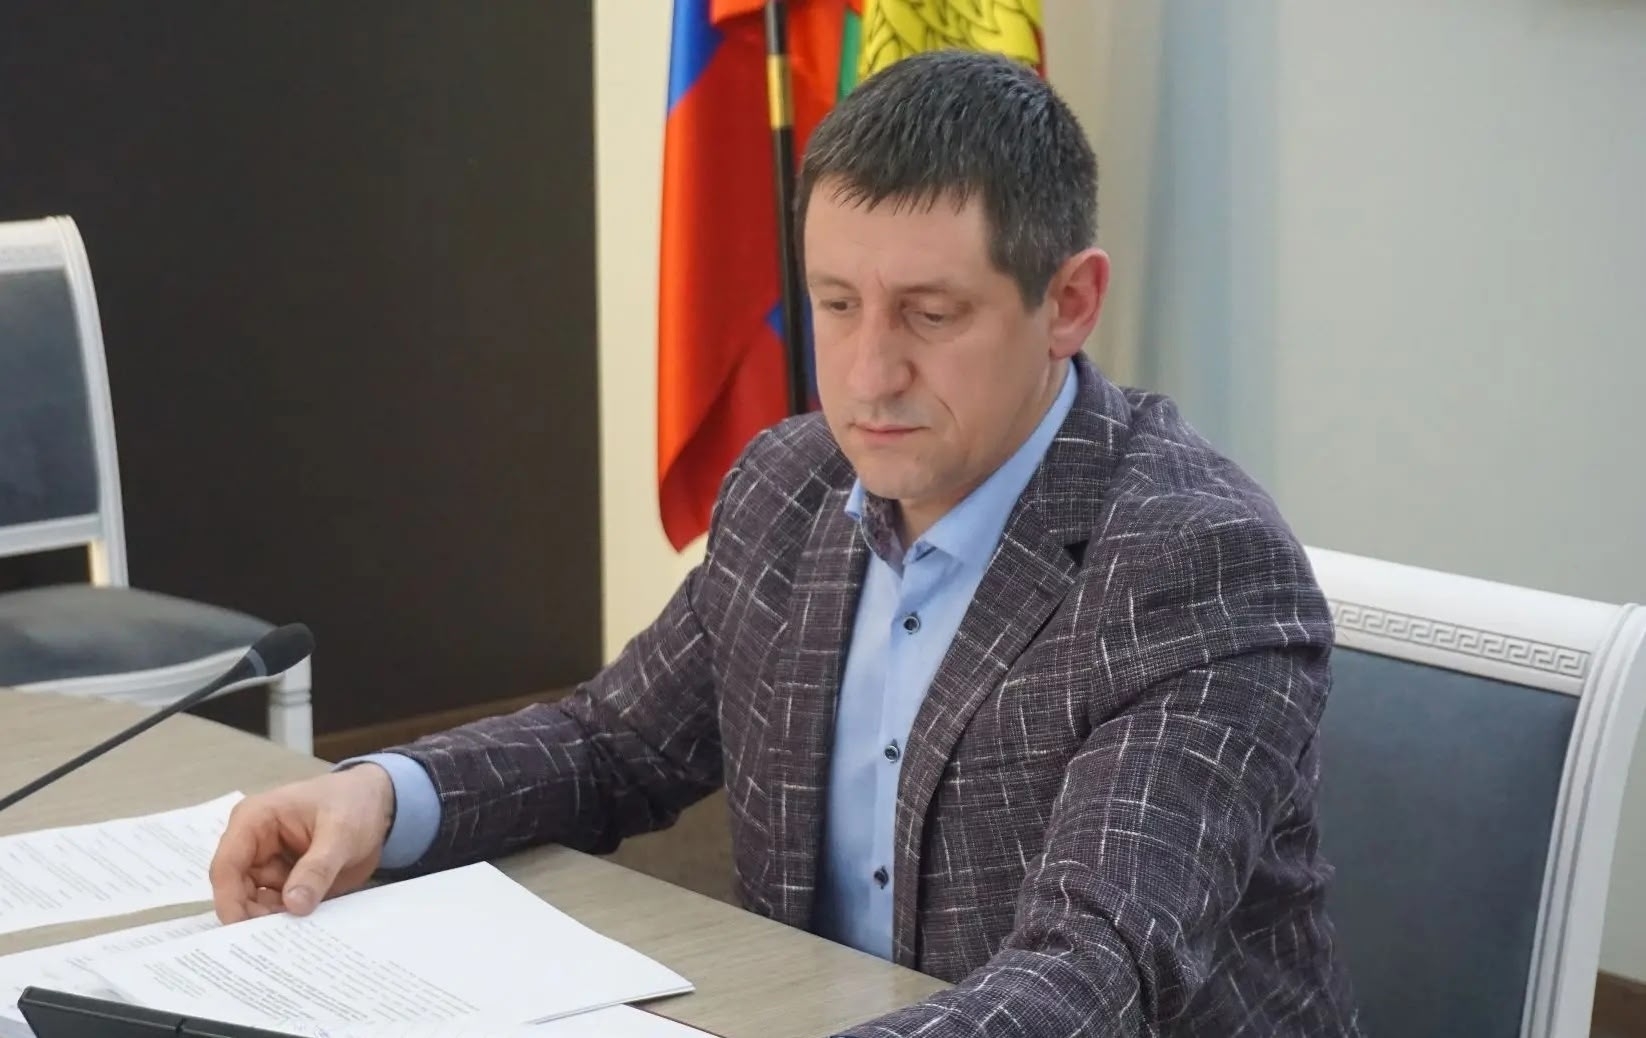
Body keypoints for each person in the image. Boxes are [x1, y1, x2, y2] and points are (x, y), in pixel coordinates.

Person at [210, 50, 1360, 1036]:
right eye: (837, 304)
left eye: (929, 314)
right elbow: (613, 745)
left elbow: (1091, 971)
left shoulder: (1192, 563)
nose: (867, 375)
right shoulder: (791, 485)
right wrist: (385, 796)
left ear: (1066, 303)